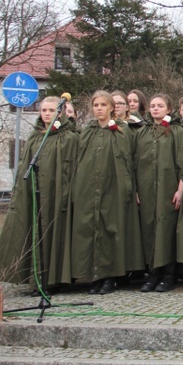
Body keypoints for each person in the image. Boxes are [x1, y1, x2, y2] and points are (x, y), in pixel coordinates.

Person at [0, 97, 79, 294]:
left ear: (59, 113)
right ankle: (34, 278)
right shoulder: (34, 138)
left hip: (58, 194)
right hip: (35, 193)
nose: (47, 113)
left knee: (54, 233)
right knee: (34, 232)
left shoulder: (70, 137)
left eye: (51, 110)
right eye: (43, 110)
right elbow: (25, 165)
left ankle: (54, 279)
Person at [71, 91, 144, 294]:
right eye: (96, 105)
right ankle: (95, 275)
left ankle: (111, 276)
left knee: (111, 229)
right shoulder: (88, 132)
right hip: (90, 190)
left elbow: (129, 159)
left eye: (103, 105)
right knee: (91, 230)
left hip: (114, 188)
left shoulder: (122, 130)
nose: (99, 109)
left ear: (112, 107)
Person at [135, 93, 183, 292]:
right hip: (146, 189)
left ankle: (168, 275)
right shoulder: (142, 132)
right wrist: (137, 189)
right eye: (152, 106)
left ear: (168, 109)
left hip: (168, 189)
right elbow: (135, 162)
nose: (155, 109)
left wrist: (180, 188)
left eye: (160, 105)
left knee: (167, 231)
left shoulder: (177, 131)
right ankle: (153, 273)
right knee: (149, 230)